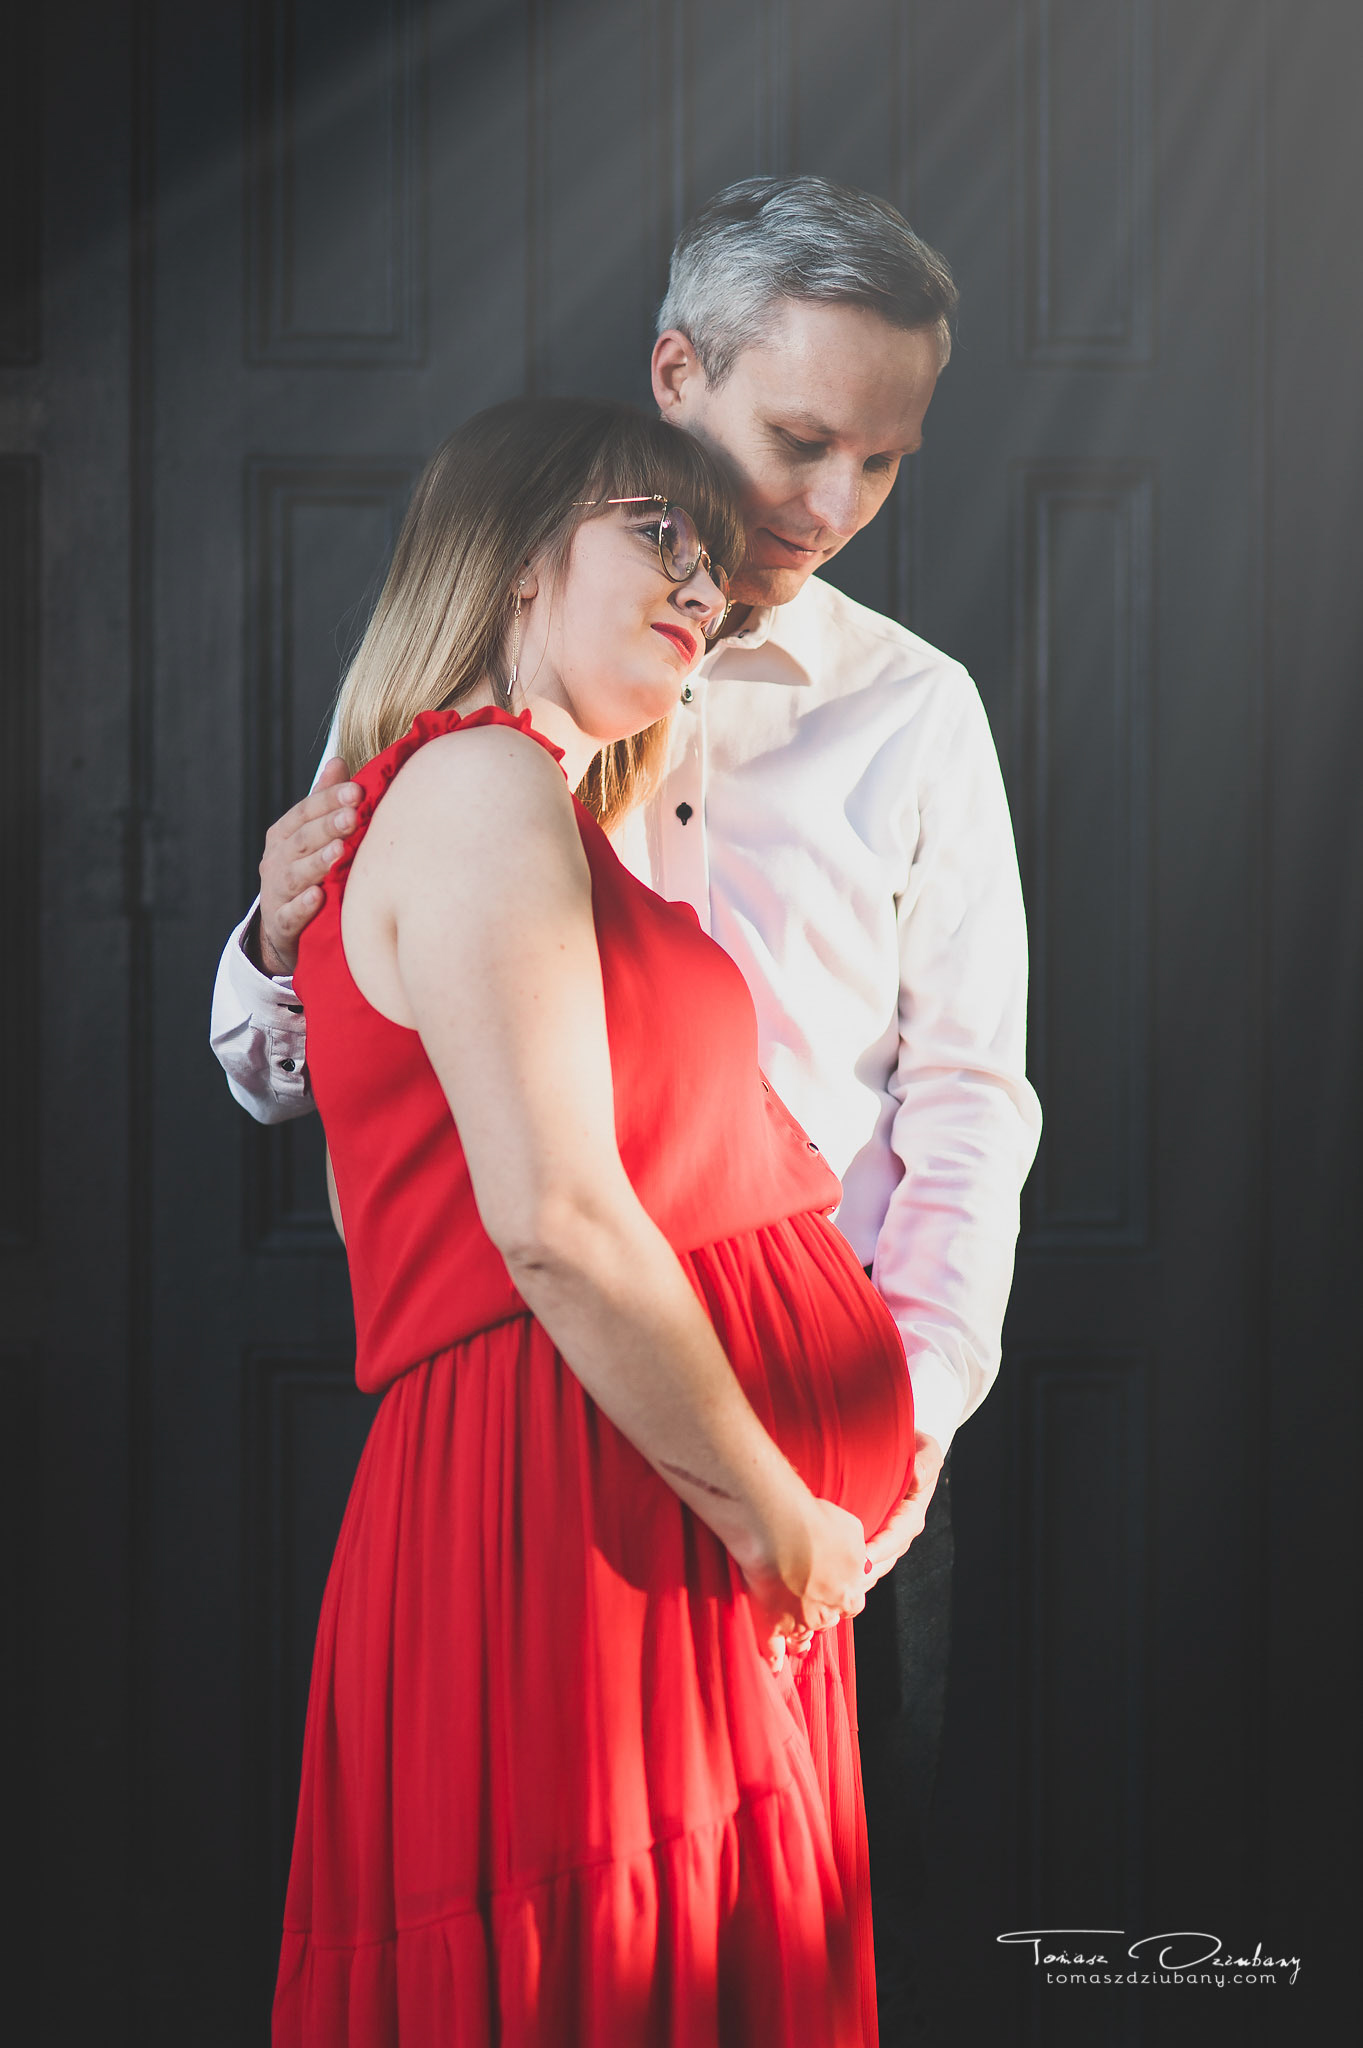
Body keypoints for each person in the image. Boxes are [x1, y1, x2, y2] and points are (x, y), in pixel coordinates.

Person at [213, 176, 1042, 2019]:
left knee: (795, 1951)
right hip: (582, 1457)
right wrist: (271, 940)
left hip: (847, 1492)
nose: (830, 505)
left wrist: (901, 1432)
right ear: (677, 376)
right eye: (799, 440)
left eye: (883, 462)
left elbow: (973, 1103)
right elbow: (325, 1068)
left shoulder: (916, 711)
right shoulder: (492, 702)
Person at [272, 393, 916, 2047]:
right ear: (510, 560)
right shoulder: (477, 786)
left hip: (657, 1511)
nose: (703, 585)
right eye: (658, 534)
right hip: (587, 1515)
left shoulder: (531, 810)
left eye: (716, 566)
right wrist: (771, 1515)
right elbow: (552, 1218)